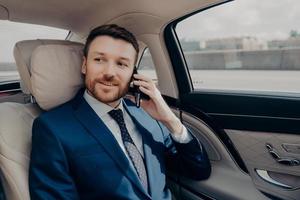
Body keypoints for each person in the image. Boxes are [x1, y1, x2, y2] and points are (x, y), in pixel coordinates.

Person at [29, 24, 211, 200]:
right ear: (85, 65)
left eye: (122, 64)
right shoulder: (52, 128)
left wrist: (170, 121)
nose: (109, 72)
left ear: (133, 73)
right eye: (99, 60)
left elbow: (198, 170)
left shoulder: (148, 115)